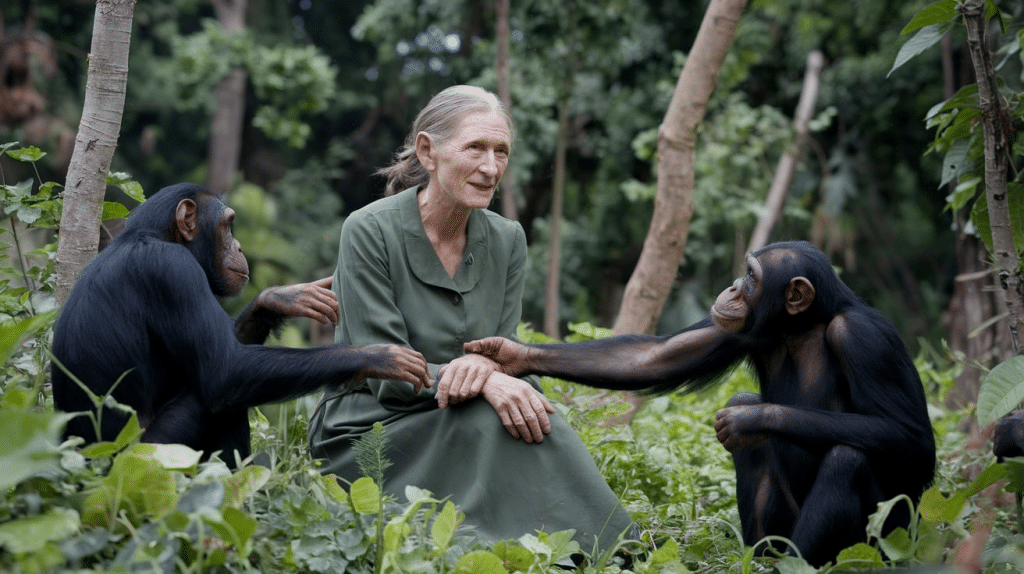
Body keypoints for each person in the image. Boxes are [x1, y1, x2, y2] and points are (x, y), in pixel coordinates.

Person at [307, 85, 634, 549]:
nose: (491, 167)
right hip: (371, 427)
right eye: (475, 148)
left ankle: (610, 549)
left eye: (501, 151)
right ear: (428, 150)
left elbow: (502, 354)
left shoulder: (508, 239)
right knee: (494, 416)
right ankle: (549, 543)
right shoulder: (368, 230)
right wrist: (482, 380)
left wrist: (491, 372)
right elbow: (389, 376)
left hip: (463, 412)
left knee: (537, 414)